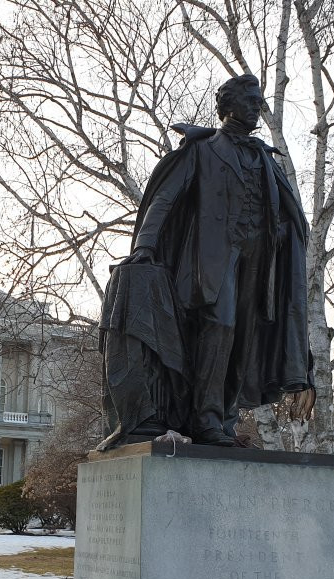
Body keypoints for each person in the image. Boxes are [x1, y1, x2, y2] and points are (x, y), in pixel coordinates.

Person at [99, 74, 314, 449]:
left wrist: (282, 231)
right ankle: (206, 420)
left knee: (243, 341)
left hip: (258, 264)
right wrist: (145, 246)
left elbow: (285, 212)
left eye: (259, 101)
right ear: (228, 105)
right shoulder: (202, 150)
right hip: (211, 262)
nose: (257, 107)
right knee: (220, 326)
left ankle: (223, 421)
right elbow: (165, 199)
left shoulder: (265, 158)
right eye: (250, 100)